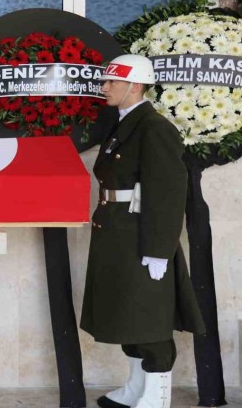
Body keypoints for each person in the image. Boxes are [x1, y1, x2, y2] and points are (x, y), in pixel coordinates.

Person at [80, 54, 205, 408]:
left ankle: (157, 396)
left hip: (141, 236)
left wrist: (159, 250)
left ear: (134, 86)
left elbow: (167, 192)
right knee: (128, 314)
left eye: (112, 82)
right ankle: (137, 387)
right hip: (118, 233)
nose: (104, 87)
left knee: (149, 318)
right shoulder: (126, 123)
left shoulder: (153, 127)